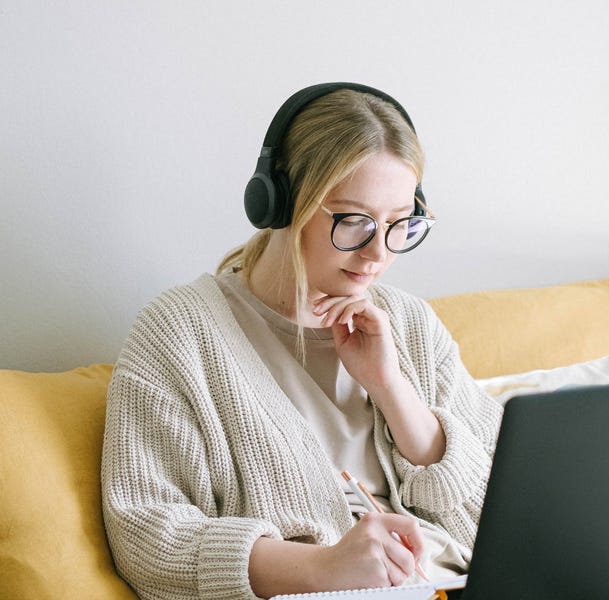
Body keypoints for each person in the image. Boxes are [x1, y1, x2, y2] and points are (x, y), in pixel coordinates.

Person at [101, 82, 503, 600]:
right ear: (282, 204)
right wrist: (324, 567)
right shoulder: (181, 333)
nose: (378, 253)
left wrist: (391, 387)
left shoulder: (410, 323)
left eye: (401, 223)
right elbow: (148, 534)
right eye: (355, 221)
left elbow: (505, 495)